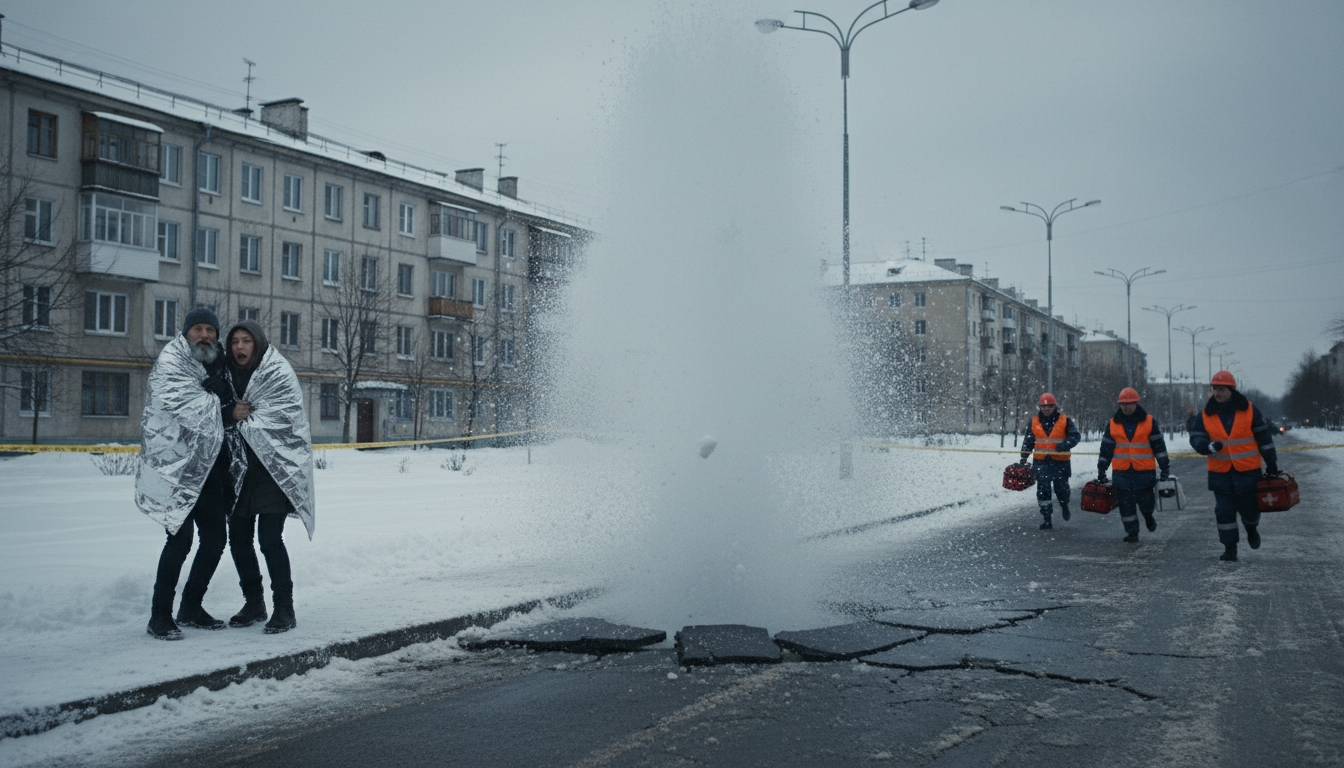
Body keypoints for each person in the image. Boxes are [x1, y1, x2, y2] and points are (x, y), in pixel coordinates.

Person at [136, 307, 241, 640]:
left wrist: (223, 396)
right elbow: (175, 408)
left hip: (210, 470)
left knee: (214, 539)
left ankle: (191, 606)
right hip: (177, 471)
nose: (205, 335)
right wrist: (215, 399)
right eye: (198, 329)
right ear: (186, 333)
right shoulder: (172, 363)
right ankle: (159, 616)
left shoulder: (222, 368)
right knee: (179, 542)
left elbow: (231, 413)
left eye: (210, 329)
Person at [222, 320, 316, 634]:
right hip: (238, 471)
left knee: (269, 540)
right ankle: (254, 603)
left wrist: (252, 419)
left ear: (258, 343)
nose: (239, 347)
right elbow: (212, 409)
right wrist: (230, 412)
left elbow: (288, 417)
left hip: (273, 471)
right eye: (235, 341)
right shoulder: (225, 375)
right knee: (238, 540)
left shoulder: (276, 373)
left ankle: (284, 609)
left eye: (246, 340)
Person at [1187, 370, 1279, 562]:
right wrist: (1207, 446)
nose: (1217, 393)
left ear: (1231, 390)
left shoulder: (1250, 410)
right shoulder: (1205, 414)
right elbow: (1196, 438)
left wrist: (1271, 463)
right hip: (1220, 475)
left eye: (1221, 389)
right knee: (1224, 512)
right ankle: (1230, 548)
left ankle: (1251, 529)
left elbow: (1264, 439)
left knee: (1250, 510)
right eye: (1215, 389)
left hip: (1248, 472)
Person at [1096, 387, 1171, 543]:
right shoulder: (1112, 424)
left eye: (1130, 404)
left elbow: (1159, 447)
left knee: (1146, 503)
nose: (1126, 407)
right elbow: (1106, 449)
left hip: (1144, 472)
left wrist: (1164, 468)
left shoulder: (1149, 422)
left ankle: (1148, 516)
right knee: (1126, 506)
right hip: (1121, 473)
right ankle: (1132, 533)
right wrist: (1102, 468)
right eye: (1123, 404)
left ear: (1136, 403)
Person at [1019, 392, 1081, 530]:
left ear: (1054, 407)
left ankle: (1064, 505)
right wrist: (1024, 456)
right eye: (1043, 406)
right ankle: (1047, 518)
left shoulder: (1065, 420)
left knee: (1062, 489)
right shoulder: (1034, 421)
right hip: (1041, 463)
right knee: (1043, 491)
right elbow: (1029, 440)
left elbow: (1075, 436)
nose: (1046, 409)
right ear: (1040, 407)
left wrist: (1064, 445)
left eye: (1049, 406)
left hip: (1060, 462)